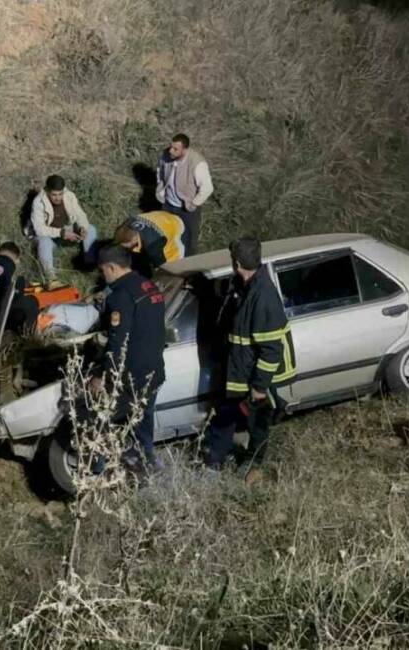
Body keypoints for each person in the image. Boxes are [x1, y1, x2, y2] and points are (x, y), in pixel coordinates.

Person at [206, 237, 297, 476]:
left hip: (255, 374)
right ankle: (217, 461)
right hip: (242, 368)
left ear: (236, 262)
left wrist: (259, 386)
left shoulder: (263, 296)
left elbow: (271, 349)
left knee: (257, 421)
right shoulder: (246, 285)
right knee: (229, 414)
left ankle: (252, 463)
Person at [89, 245, 166, 468]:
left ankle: (97, 474)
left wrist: (102, 375)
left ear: (112, 268)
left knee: (100, 421)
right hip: (154, 371)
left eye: (103, 271)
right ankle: (149, 464)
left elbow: (117, 343)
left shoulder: (121, 297)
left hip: (131, 375)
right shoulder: (149, 286)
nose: (103, 277)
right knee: (143, 420)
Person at [155, 133, 213, 255]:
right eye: (171, 147)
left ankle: (188, 268)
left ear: (185, 150)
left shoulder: (197, 162)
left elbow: (207, 188)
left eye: (176, 149)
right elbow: (160, 171)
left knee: (189, 242)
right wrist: (160, 190)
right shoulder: (166, 155)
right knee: (166, 236)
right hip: (168, 205)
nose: (171, 150)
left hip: (186, 209)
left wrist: (193, 203)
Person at [30, 175, 98, 278]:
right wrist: (61, 233)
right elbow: (39, 229)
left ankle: (90, 265)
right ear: (48, 191)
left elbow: (80, 214)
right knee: (44, 242)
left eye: (60, 194)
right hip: (49, 236)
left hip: (67, 229)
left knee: (91, 229)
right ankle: (50, 276)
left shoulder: (69, 196)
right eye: (54, 195)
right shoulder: (38, 202)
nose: (58, 198)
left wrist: (82, 227)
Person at [113, 210, 186, 277]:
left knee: (171, 270)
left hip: (178, 228)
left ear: (134, 238)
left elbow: (162, 266)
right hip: (167, 218)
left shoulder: (152, 246)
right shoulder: (129, 223)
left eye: (126, 246)